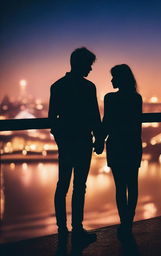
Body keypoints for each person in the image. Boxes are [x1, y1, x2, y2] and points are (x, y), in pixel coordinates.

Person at [48, 47, 104, 245]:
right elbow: (94, 117)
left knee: (62, 185)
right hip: (83, 141)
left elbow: (52, 120)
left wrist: (60, 140)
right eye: (89, 65)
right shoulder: (89, 88)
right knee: (80, 186)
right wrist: (98, 139)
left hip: (66, 143)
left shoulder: (57, 86)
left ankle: (61, 230)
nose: (90, 69)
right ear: (81, 64)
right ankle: (77, 229)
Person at [103, 64, 142, 240]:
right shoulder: (136, 98)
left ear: (120, 79)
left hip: (116, 145)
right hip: (132, 145)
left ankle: (123, 222)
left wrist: (97, 142)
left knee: (120, 187)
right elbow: (136, 125)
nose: (111, 80)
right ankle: (129, 223)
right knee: (132, 184)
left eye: (114, 77)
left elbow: (106, 124)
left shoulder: (110, 98)